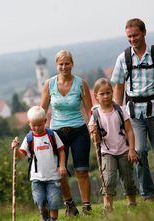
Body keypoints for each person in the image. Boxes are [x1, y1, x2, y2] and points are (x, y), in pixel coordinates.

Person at [111, 18, 154, 201]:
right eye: (129, 36)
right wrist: (120, 113)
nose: (132, 39)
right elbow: (119, 87)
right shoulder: (123, 58)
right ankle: (147, 194)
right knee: (139, 152)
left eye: (135, 35)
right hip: (133, 114)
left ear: (144, 33)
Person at [40, 50, 93, 216]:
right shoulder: (49, 84)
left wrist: (94, 127)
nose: (64, 67)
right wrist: (37, 131)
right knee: (60, 171)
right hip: (57, 134)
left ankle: (86, 206)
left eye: (67, 63)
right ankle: (69, 205)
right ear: (56, 65)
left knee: (82, 170)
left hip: (79, 131)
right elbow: (42, 110)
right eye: (61, 64)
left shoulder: (81, 84)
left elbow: (90, 110)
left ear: (72, 64)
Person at [89, 78, 138, 213]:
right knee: (108, 179)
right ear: (96, 96)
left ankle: (132, 203)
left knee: (127, 178)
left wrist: (132, 149)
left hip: (124, 150)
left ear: (112, 92)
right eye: (102, 94)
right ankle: (108, 206)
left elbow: (129, 130)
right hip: (107, 151)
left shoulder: (120, 110)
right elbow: (96, 140)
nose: (106, 96)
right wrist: (94, 133)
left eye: (108, 93)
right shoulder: (95, 115)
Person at [10, 106, 66, 221]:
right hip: (36, 178)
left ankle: (53, 219)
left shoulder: (52, 135)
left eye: (39, 125)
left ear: (45, 122)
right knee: (39, 200)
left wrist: (62, 165)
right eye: (33, 125)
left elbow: (61, 150)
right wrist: (15, 150)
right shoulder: (29, 138)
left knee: (54, 201)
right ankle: (44, 214)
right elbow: (21, 155)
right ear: (28, 123)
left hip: (53, 176)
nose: (36, 128)